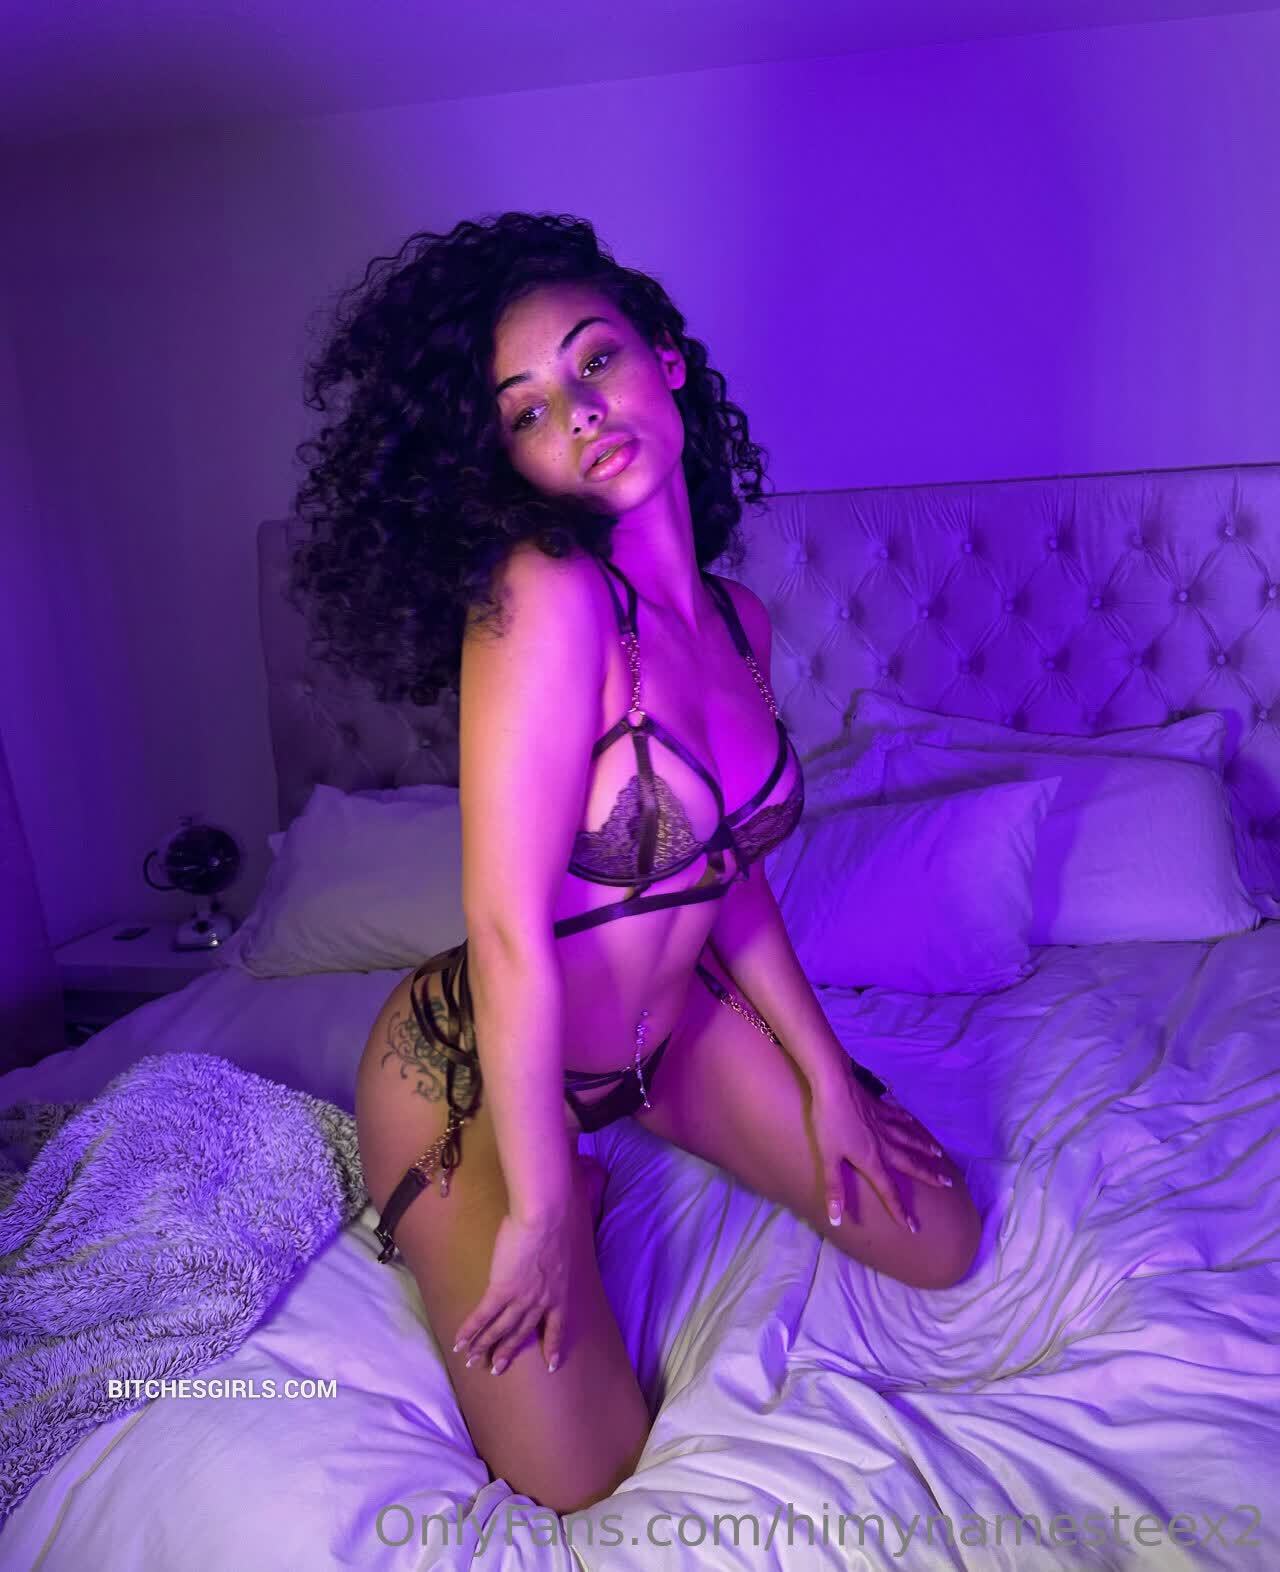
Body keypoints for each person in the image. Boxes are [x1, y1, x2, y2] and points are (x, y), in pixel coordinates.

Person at [289, 212, 981, 1514]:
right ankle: (558, 1185)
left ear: (664, 357)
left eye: (594, 360)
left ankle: (640, 1134)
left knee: (933, 1237)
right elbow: (506, 926)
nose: (578, 413)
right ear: (508, 459)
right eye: (528, 410)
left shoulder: (736, 619)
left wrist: (829, 1081)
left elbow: (728, 873)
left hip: (666, 1045)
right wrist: (543, 1215)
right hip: (477, 1070)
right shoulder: (547, 598)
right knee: (583, 1473)